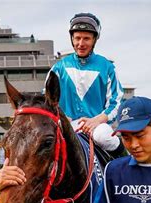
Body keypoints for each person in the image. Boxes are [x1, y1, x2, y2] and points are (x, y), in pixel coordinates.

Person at [49, 12, 124, 156]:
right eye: (77, 38)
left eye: (86, 39)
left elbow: (117, 103)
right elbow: (46, 99)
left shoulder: (107, 67)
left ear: (94, 39)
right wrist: (62, 117)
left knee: (104, 136)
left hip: (97, 126)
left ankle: (127, 168)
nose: (81, 44)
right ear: (72, 38)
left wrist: (97, 120)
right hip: (64, 124)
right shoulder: (58, 68)